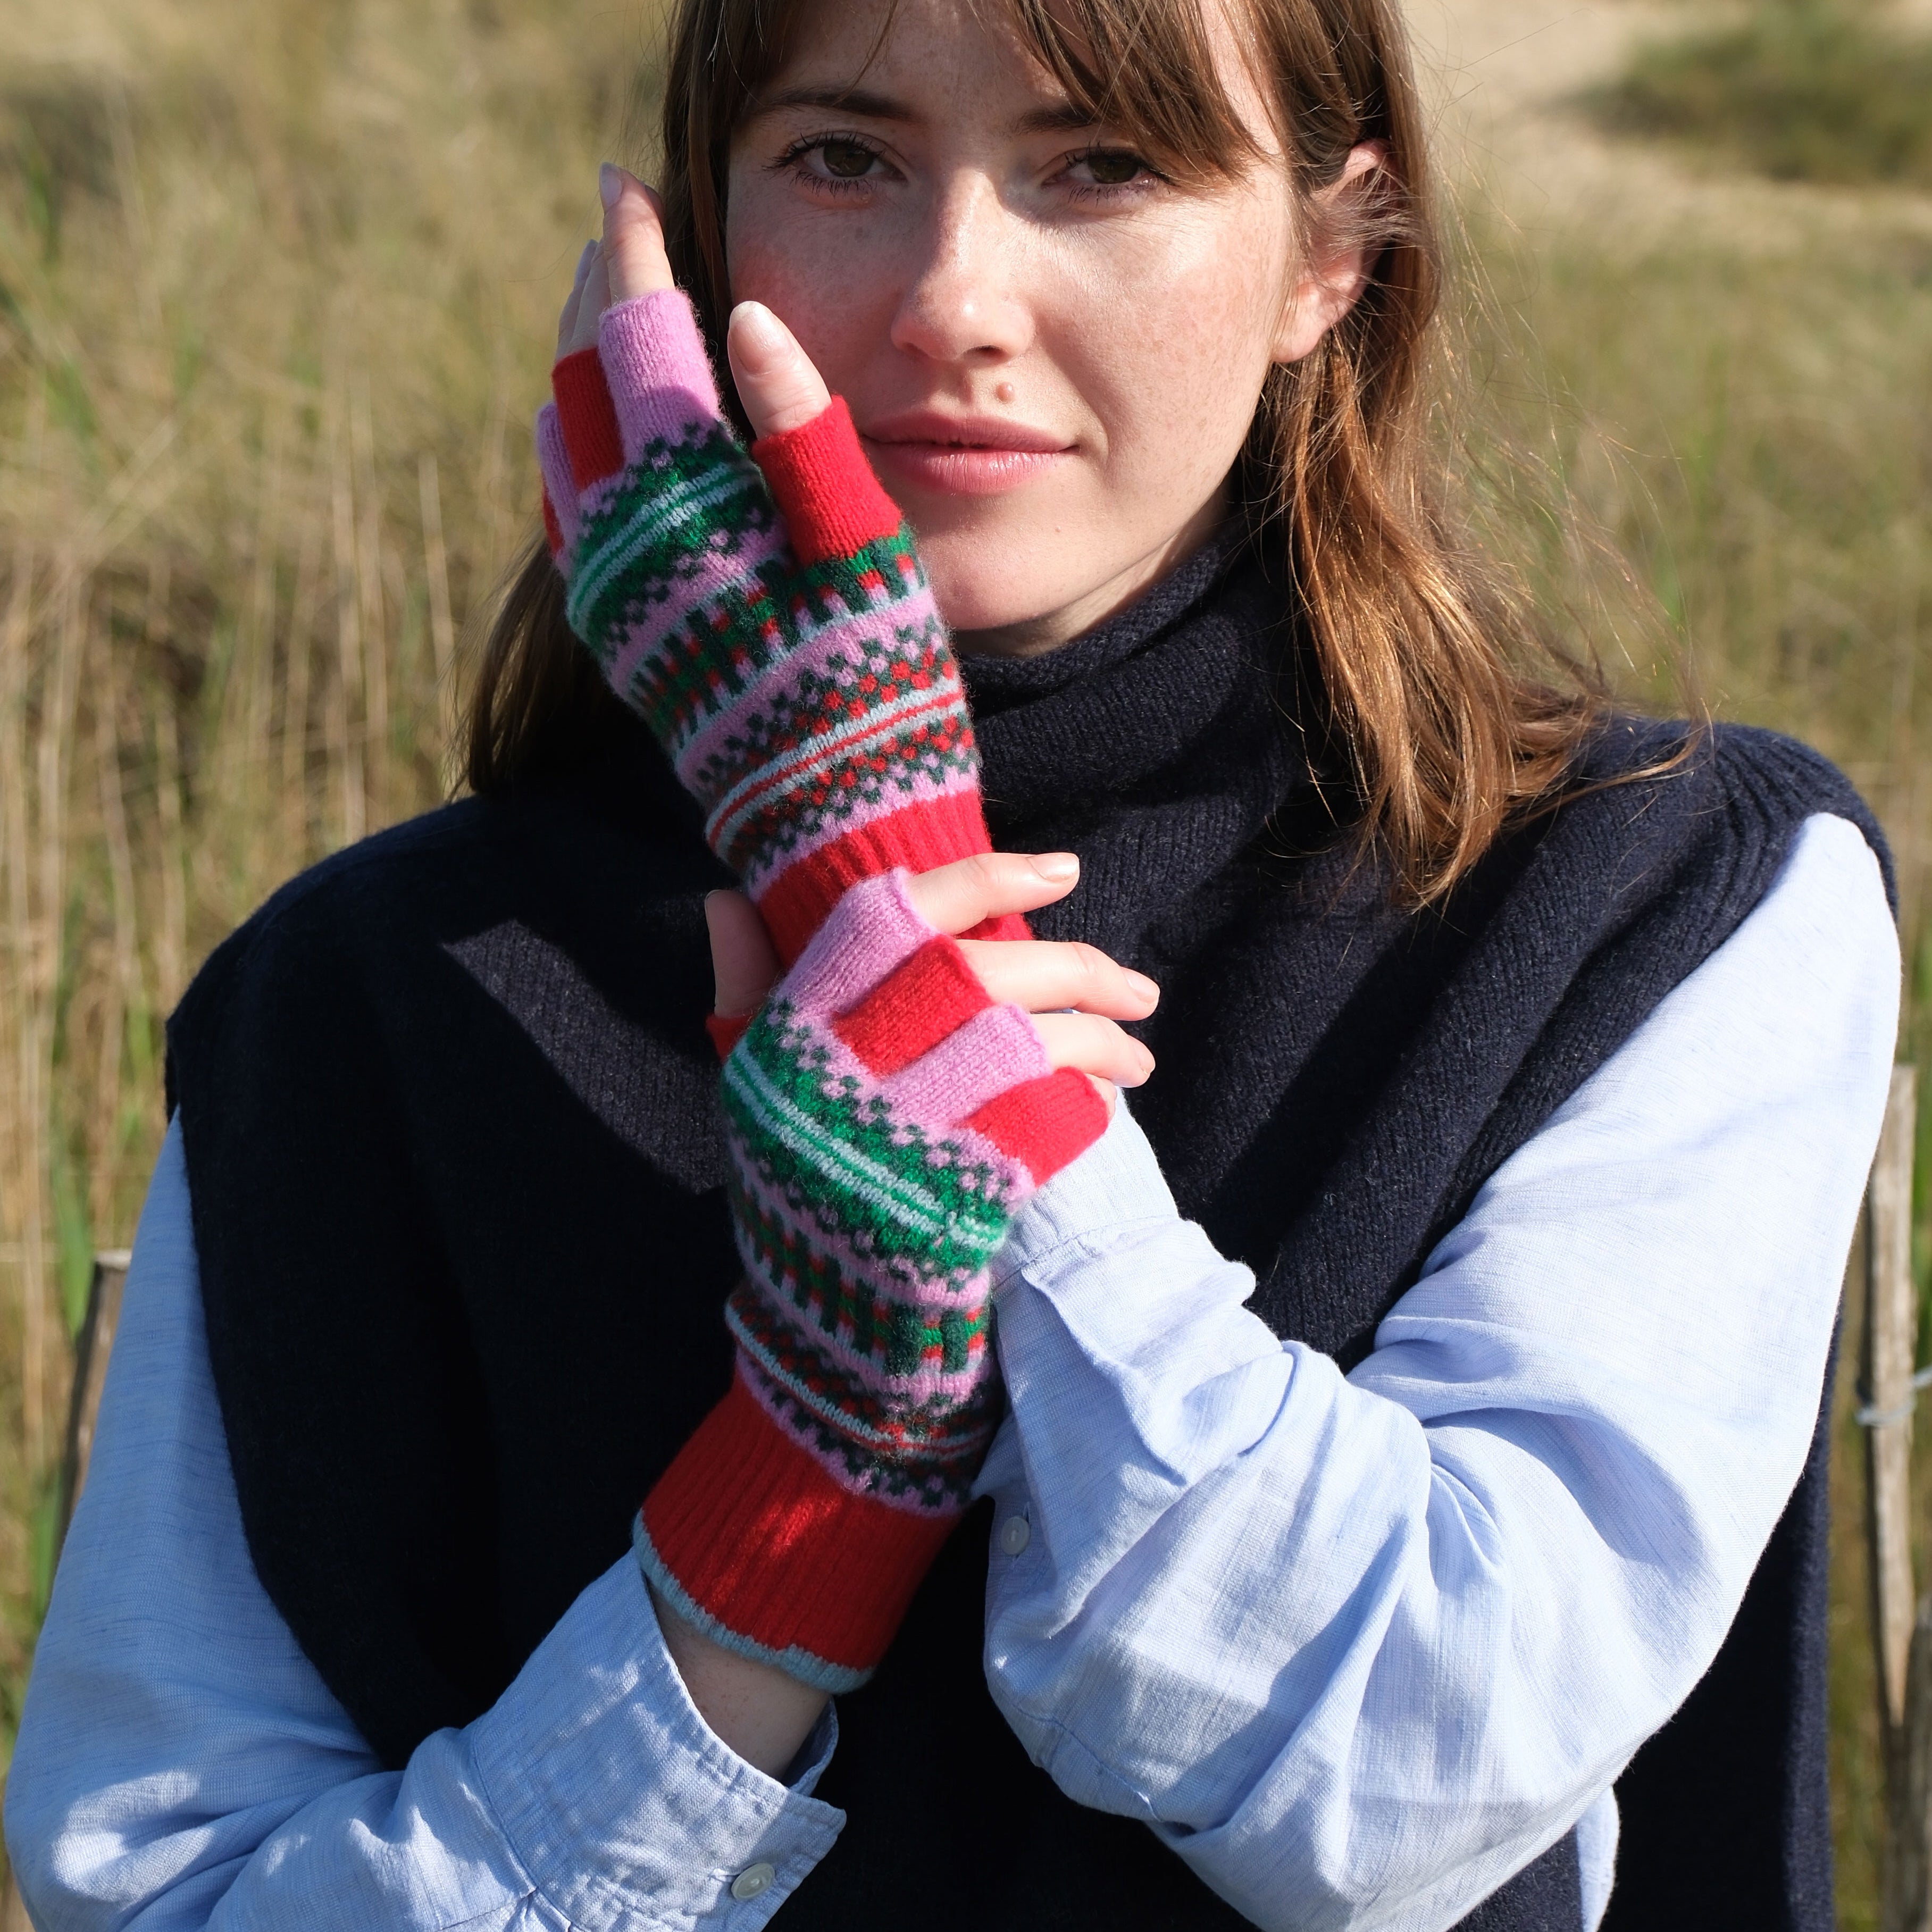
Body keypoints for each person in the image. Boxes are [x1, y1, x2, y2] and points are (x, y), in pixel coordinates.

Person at [1, 0, 1900, 1920]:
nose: (951, 301)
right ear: (705, 230)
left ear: (1330, 255)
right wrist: (784, 1528)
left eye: (1105, 164)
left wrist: (917, 982)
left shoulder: (1658, 895)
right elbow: (168, 1886)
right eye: (843, 158)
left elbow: (1413, 1769)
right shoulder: (374, 990)